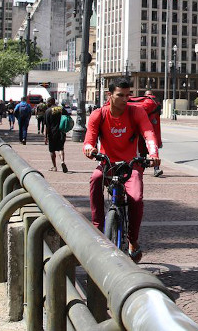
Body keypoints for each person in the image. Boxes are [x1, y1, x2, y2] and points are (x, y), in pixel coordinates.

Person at [83, 79, 160, 262]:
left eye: (128, 95)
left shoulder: (136, 112)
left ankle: (132, 240)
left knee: (136, 197)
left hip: (131, 165)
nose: (125, 99)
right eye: (120, 95)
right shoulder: (98, 115)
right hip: (107, 164)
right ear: (109, 95)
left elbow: (148, 133)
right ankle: (97, 227)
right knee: (95, 179)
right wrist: (88, 148)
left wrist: (153, 153)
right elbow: (89, 138)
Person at [44, 97, 69, 173]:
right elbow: (67, 119)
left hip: (52, 133)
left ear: (51, 102)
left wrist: (46, 137)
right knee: (61, 148)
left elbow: (47, 125)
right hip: (61, 132)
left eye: (47, 102)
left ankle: (54, 166)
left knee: (52, 150)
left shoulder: (48, 111)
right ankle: (62, 161)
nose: (47, 104)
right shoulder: (61, 109)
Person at [144, 90, 164, 177]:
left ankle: (140, 168)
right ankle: (156, 169)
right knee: (154, 150)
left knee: (141, 151)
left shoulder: (143, 103)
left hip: (142, 130)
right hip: (152, 132)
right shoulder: (157, 104)